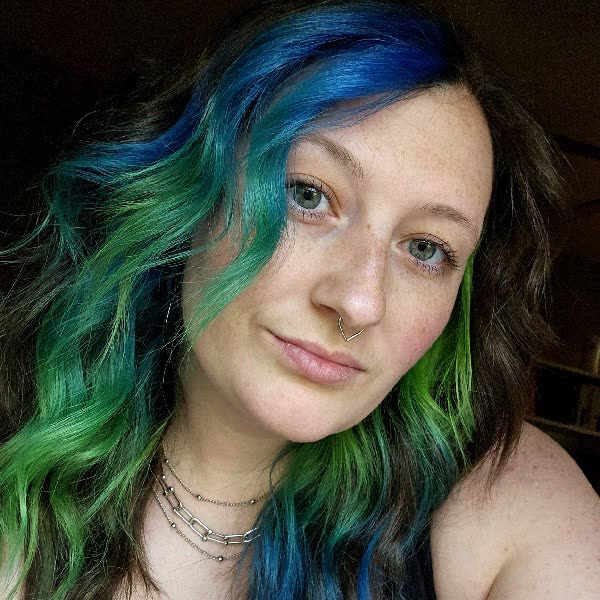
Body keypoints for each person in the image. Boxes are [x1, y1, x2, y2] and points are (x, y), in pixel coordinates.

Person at [1, 0, 599, 598]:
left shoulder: (511, 504)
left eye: (425, 249)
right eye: (308, 195)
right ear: (187, 197)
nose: (359, 302)